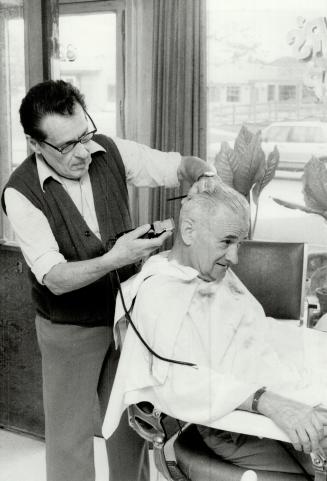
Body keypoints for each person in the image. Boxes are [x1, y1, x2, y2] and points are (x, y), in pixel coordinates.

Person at [0, 79, 217, 481]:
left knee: (131, 427)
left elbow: (179, 165)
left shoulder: (110, 150)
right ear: (35, 144)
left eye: (84, 134)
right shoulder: (20, 192)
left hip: (126, 320)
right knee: (69, 439)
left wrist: (206, 174)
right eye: (66, 146)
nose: (82, 152)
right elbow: (55, 278)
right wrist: (115, 258)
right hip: (68, 329)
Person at [103, 180, 327, 480]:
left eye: (240, 243)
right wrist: (269, 401)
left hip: (268, 387)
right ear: (189, 231)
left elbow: (254, 331)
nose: (235, 257)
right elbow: (180, 382)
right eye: (226, 242)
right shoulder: (161, 292)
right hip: (227, 422)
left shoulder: (212, 271)